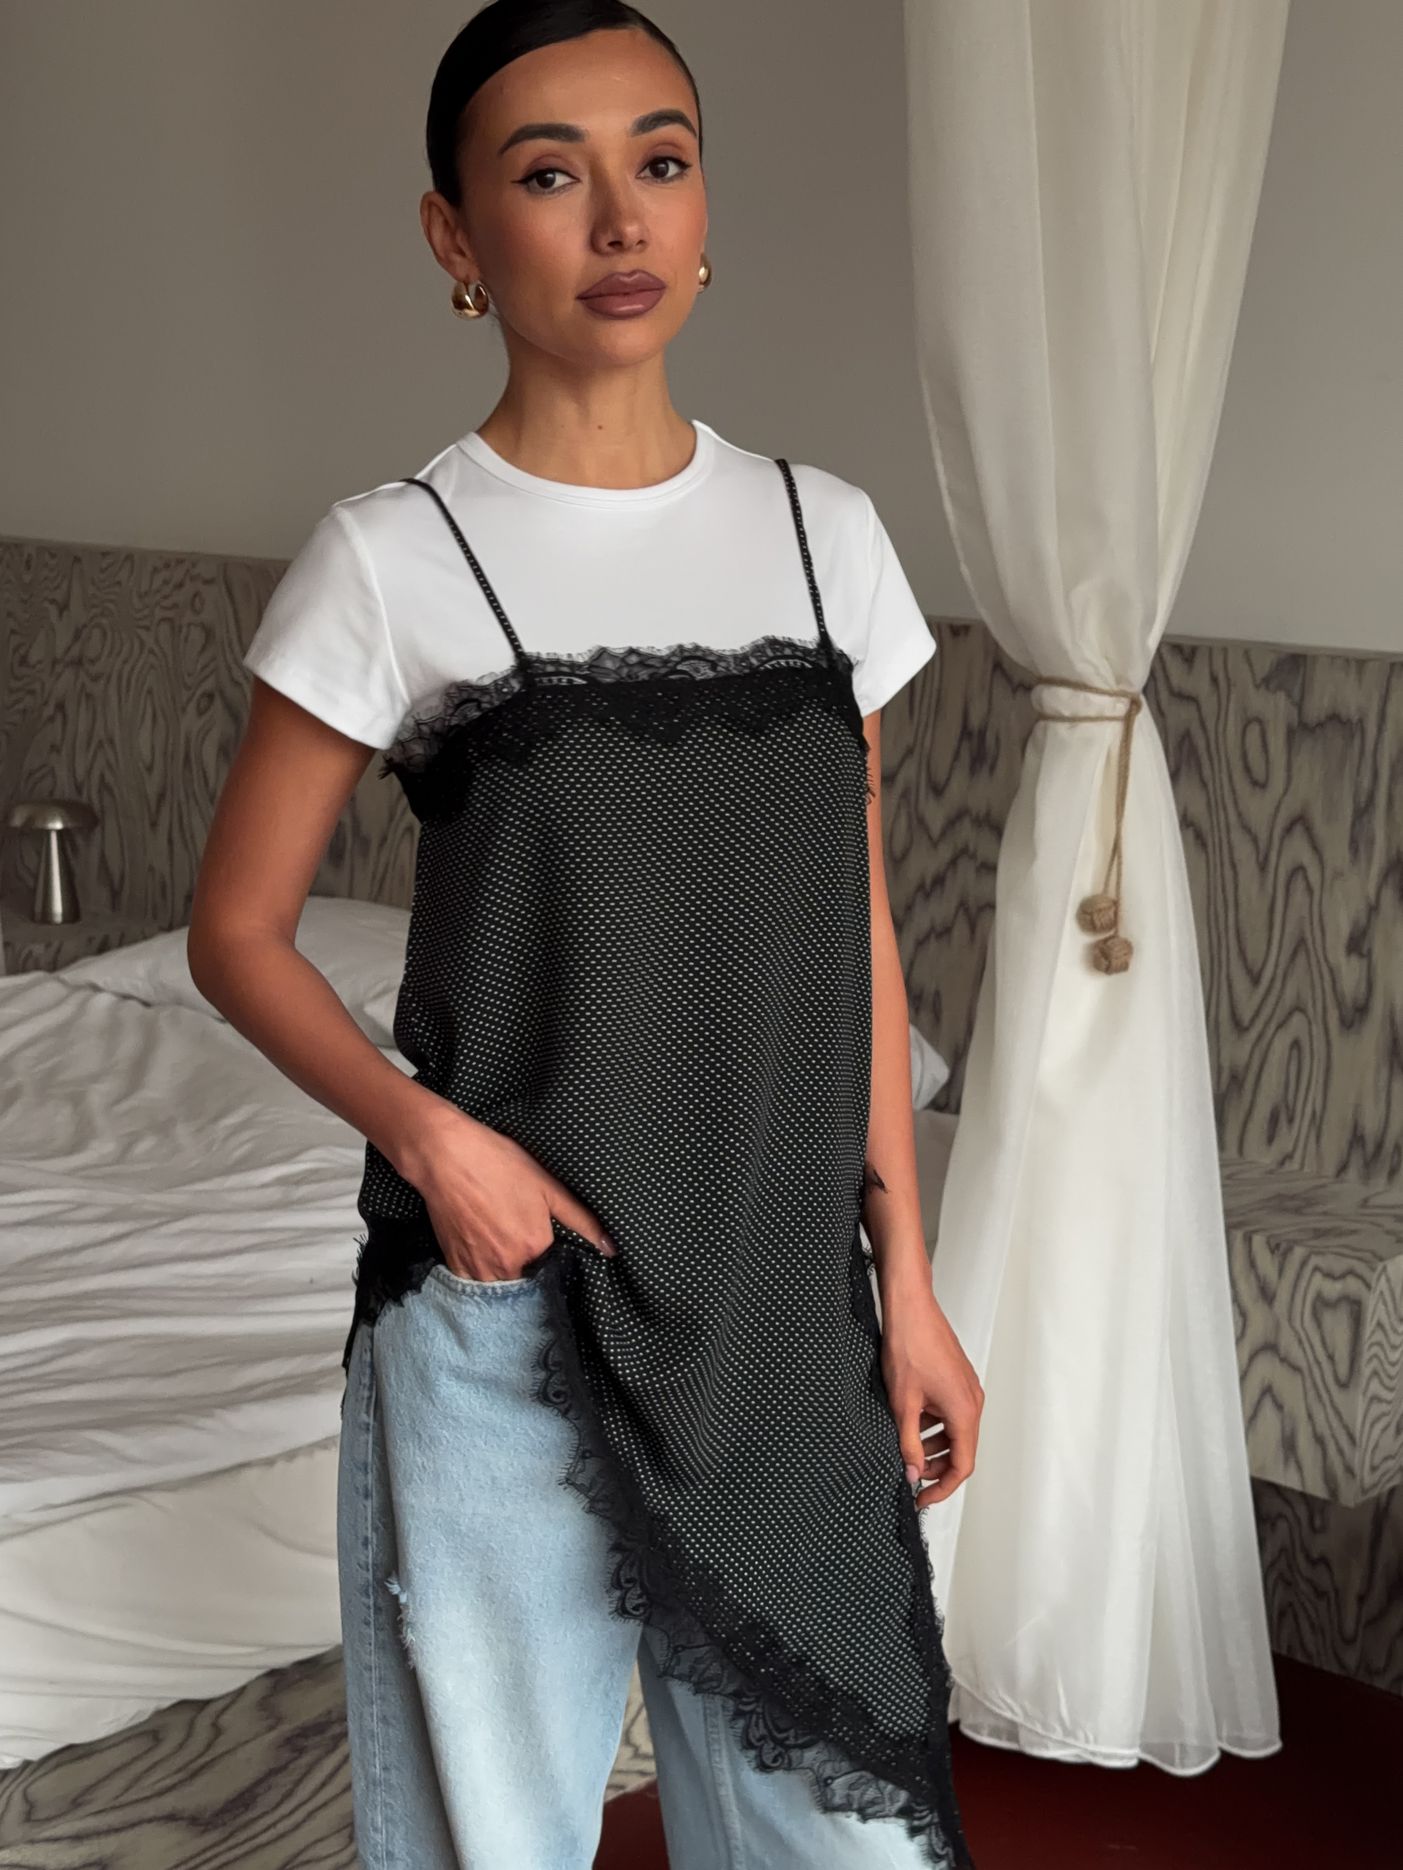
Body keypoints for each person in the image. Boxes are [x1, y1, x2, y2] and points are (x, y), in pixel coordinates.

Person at [188, 3, 983, 1865]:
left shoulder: (826, 538)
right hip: (507, 1323)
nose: (621, 219)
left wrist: (914, 1278)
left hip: (784, 1318)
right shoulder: (395, 556)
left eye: (661, 161)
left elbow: (853, 931)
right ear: (455, 236)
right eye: (551, 174)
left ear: (703, 208)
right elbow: (235, 930)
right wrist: (431, 1140)